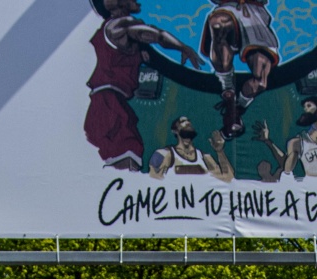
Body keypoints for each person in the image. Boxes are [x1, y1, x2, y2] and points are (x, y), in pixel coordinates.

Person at [84, 0, 203, 171]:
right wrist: (183, 48)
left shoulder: (118, 34)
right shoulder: (119, 25)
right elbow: (158, 36)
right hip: (108, 105)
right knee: (127, 161)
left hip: (108, 105)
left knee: (128, 158)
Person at [202, 0, 279, 137]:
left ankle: (237, 109)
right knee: (218, 23)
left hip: (254, 15)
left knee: (260, 82)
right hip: (229, 7)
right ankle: (228, 90)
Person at [253, 96, 317, 182]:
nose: (305, 109)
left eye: (309, 106)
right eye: (304, 107)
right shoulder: (297, 142)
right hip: (310, 186)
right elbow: (286, 166)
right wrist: (268, 141)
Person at [148, 114, 233, 180]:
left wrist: (220, 151)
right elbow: (153, 181)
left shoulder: (204, 157)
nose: (187, 123)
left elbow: (228, 178)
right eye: (182, 121)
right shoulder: (165, 154)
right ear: (175, 131)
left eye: (188, 121)